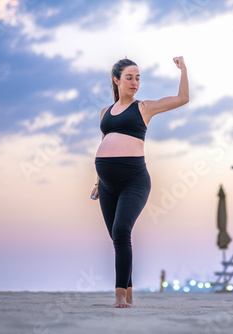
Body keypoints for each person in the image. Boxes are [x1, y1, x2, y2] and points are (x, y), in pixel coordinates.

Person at [90, 56, 189, 308]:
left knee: (122, 231)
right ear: (116, 80)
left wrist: (183, 70)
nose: (135, 82)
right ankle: (129, 290)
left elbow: (182, 99)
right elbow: (104, 143)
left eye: (138, 78)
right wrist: (97, 181)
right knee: (117, 237)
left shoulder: (144, 107)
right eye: (129, 78)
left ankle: (120, 295)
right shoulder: (105, 112)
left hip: (134, 180)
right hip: (106, 183)